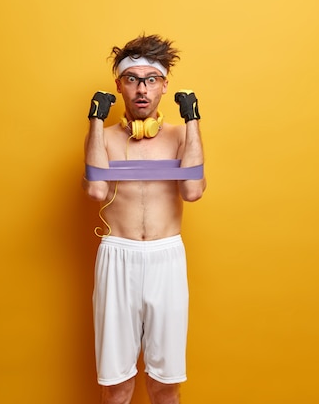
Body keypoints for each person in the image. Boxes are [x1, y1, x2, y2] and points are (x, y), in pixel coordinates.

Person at [82, 33, 206, 404]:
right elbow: (96, 192)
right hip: (117, 255)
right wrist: (94, 120)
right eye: (133, 79)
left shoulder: (182, 136)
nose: (142, 90)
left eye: (151, 80)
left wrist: (194, 120)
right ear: (119, 85)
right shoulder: (103, 138)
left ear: (164, 86)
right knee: (116, 386)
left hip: (166, 257)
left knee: (165, 385)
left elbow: (193, 191)